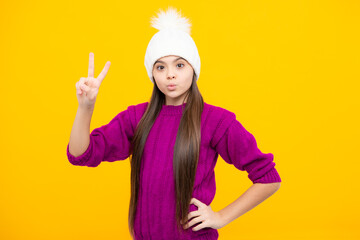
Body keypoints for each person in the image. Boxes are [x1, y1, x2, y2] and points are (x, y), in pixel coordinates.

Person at [66, 6, 282, 240]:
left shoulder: (218, 122)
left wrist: (221, 217)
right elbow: (81, 154)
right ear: (153, 73)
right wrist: (86, 107)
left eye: (179, 65)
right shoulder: (136, 118)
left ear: (193, 69)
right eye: (161, 67)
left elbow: (269, 179)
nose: (170, 74)